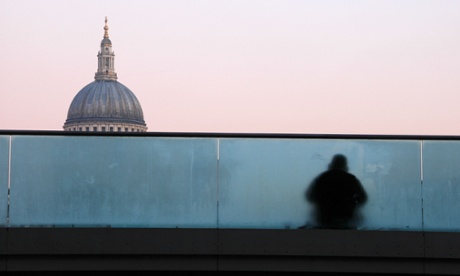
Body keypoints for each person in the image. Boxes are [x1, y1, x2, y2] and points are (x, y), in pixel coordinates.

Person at [305, 154, 367, 229]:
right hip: (346, 221)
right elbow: (363, 198)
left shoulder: (322, 178)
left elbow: (309, 196)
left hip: (324, 220)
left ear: (332, 164)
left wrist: (322, 202)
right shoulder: (351, 179)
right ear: (345, 165)